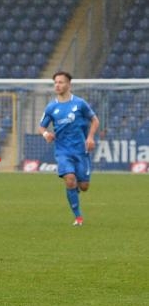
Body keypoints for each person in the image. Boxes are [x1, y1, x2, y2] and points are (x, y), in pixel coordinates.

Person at [38, 71, 100, 226]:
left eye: (61, 82)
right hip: (62, 151)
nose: (57, 85)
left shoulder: (79, 104)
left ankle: (74, 190)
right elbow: (41, 126)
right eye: (55, 82)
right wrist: (46, 134)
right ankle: (78, 217)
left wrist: (90, 137)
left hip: (81, 150)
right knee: (70, 179)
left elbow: (95, 120)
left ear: (69, 84)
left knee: (84, 186)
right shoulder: (52, 107)